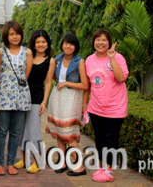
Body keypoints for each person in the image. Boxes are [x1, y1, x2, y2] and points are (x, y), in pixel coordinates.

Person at [83, 29, 129, 183]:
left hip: (115, 108)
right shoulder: (89, 60)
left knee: (111, 139)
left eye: (104, 40)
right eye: (97, 39)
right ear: (93, 42)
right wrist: (85, 105)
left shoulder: (118, 57)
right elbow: (88, 85)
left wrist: (112, 58)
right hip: (96, 108)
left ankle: (109, 169)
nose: (100, 42)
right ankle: (101, 166)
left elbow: (121, 78)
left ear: (109, 42)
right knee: (99, 139)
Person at [46, 33, 88, 176]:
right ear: (62, 44)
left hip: (71, 97)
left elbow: (85, 85)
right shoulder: (57, 59)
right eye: (65, 43)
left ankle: (80, 166)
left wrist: (66, 83)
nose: (67, 46)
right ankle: (62, 162)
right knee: (59, 132)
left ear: (75, 46)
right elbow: (51, 78)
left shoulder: (79, 61)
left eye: (71, 44)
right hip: (57, 97)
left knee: (68, 133)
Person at [14, 29, 55, 173]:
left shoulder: (50, 60)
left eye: (43, 42)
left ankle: (37, 161)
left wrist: (44, 102)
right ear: (33, 43)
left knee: (34, 131)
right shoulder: (27, 56)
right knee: (22, 130)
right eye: (38, 42)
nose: (41, 44)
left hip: (36, 99)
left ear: (48, 43)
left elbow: (48, 82)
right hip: (22, 97)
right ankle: (24, 160)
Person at [0, 21, 33, 176]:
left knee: (15, 132)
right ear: (6, 35)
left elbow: (26, 75)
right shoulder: (0, 52)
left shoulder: (27, 52)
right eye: (11, 34)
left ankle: (10, 162)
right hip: (4, 96)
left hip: (21, 97)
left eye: (17, 33)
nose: (15, 36)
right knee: (2, 131)